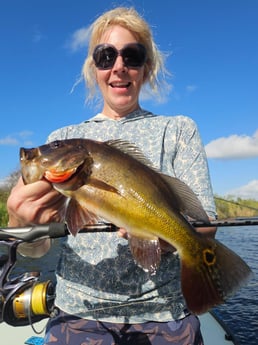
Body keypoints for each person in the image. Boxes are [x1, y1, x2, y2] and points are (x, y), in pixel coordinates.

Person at [7, 6, 217, 345]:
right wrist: (21, 222)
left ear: (146, 68)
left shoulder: (178, 130)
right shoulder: (64, 135)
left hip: (165, 313)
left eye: (132, 56)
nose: (119, 67)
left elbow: (205, 224)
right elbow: (36, 251)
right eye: (106, 56)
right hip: (80, 312)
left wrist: (165, 237)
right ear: (94, 68)